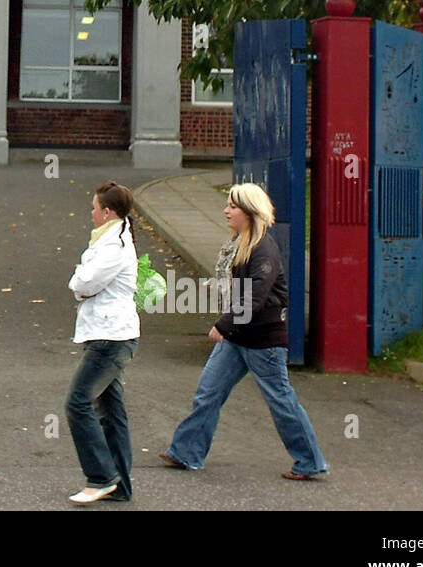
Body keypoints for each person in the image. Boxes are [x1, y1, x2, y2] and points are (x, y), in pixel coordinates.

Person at [159, 182, 328, 481]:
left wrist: (222, 325)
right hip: (239, 337)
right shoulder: (240, 244)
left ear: (250, 212)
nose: (226, 210)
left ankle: (310, 461)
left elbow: (255, 298)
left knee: (281, 401)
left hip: (263, 342)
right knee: (208, 393)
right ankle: (186, 452)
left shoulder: (264, 250)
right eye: (227, 204)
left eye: (233, 206)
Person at [64, 181, 140, 504]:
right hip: (110, 334)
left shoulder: (113, 247)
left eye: (95, 207)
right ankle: (119, 483)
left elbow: (82, 282)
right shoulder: (111, 239)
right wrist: (84, 284)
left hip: (110, 339)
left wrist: (82, 284)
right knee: (111, 410)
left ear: (107, 212)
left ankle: (101, 476)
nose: (91, 212)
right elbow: (85, 284)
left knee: (77, 402)